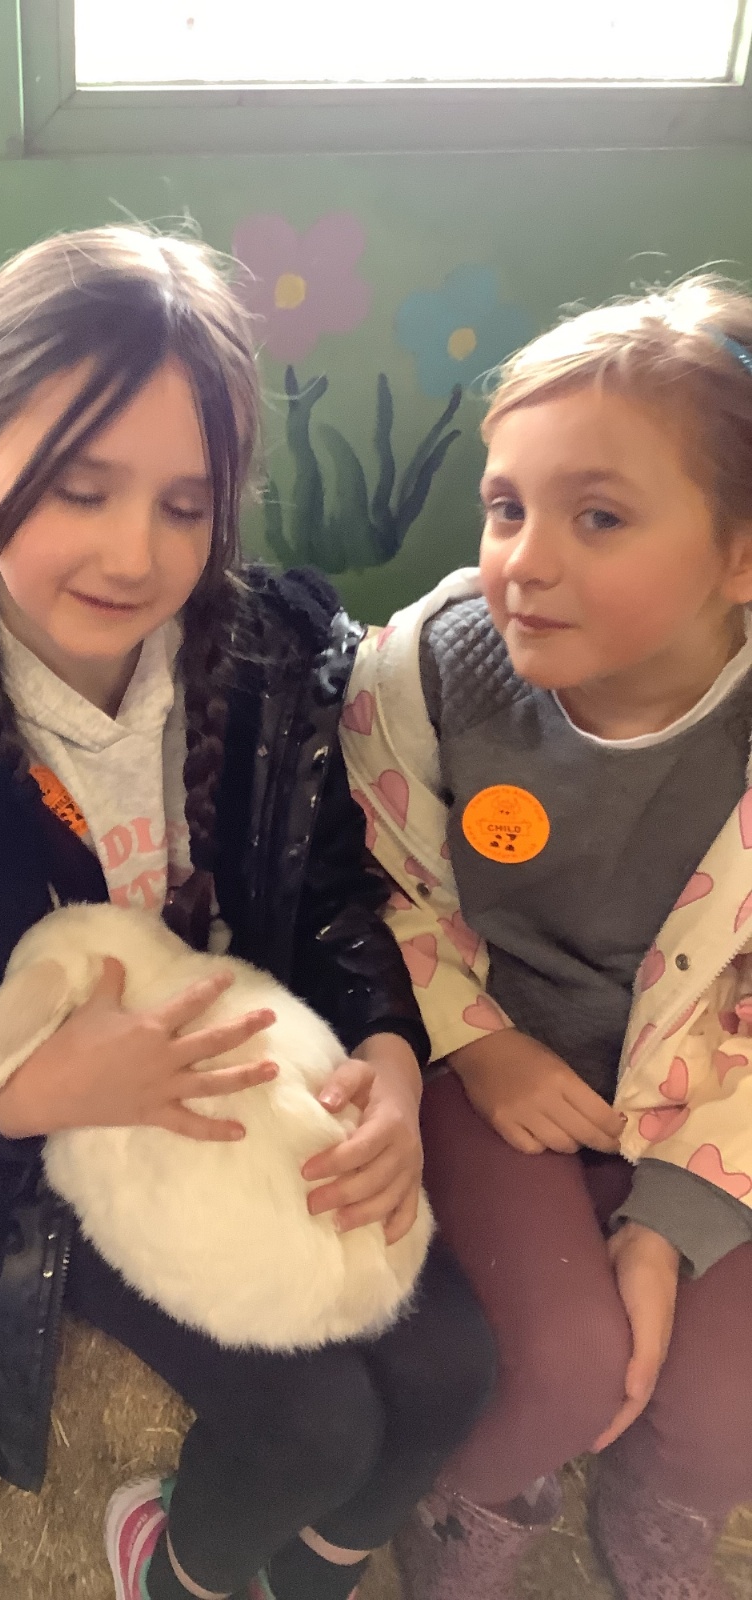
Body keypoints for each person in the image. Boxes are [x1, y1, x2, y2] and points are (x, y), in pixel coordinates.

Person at [0, 225, 495, 1600]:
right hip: (48, 1156)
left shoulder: (270, 647)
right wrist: (35, 1094)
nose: (137, 552)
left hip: (251, 1087)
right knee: (311, 1423)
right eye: (83, 490)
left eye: (187, 506)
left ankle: (308, 1579)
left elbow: (333, 893)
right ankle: (181, 1574)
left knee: (450, 1368)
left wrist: (389, 1057)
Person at [341, 276, 752, 1600]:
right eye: (506, 506)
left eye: (599, 516)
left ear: (741, 557)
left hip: (709, 1094)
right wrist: (477, 1041)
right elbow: (382, 881)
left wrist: (675, 1216)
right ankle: (474, 1505)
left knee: (723, 1399)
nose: (524, 558)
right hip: (492, 1060)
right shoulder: (428, 674)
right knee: (559, 1367)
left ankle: (663, 1516)